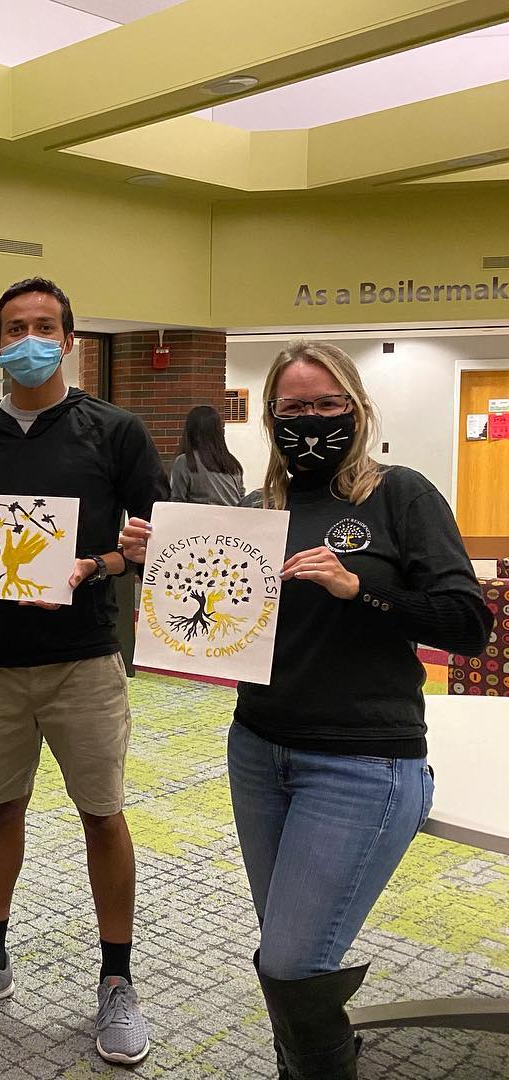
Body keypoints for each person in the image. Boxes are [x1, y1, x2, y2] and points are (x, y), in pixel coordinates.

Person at [121, 342, 490, 1079]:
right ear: (270, 418)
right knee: (291, 951)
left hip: (363, 761)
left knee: (290, 962)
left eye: (326, 405)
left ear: (355, 409)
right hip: (258, 751)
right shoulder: (259, 513)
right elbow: (218, 621)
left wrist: (362, 591)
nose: (311, 421)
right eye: (293, 409)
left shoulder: (400, 496)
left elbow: (467, 622)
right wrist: (161, 562)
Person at [0, 278, 166, 1067]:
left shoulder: (115, 431)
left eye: (44, 327)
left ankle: (117, 980)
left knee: (103, 814)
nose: (29, 339)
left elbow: (155, 540)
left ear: (69, 339)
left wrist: (102, 562)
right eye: (14, 329)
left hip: (84, 657)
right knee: (0, 809)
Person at [169, 405, 244, 506]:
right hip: (232, 518)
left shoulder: (185, 462)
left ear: (190, 431)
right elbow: (241, 498)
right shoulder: (232, 463)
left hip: (200, 519)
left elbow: (176, 502)